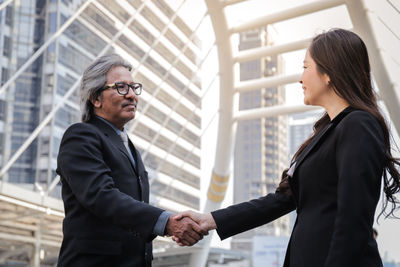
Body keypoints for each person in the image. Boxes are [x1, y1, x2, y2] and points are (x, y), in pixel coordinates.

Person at [174, 29, 400, 267]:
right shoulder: (326, 133)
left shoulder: (358, 125)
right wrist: (210, 219)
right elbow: (281, 200)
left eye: (305, 67)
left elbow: (353, 220)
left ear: (328, 73)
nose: (300, 78)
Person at [56, 54, 205, 267]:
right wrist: (166, 223)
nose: (132, 95)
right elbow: (102, 196)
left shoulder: (129, 145)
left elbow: (132, 211)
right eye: (121, 87)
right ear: (95, 98)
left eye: (134, 88)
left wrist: (171, 226)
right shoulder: (81, 135)